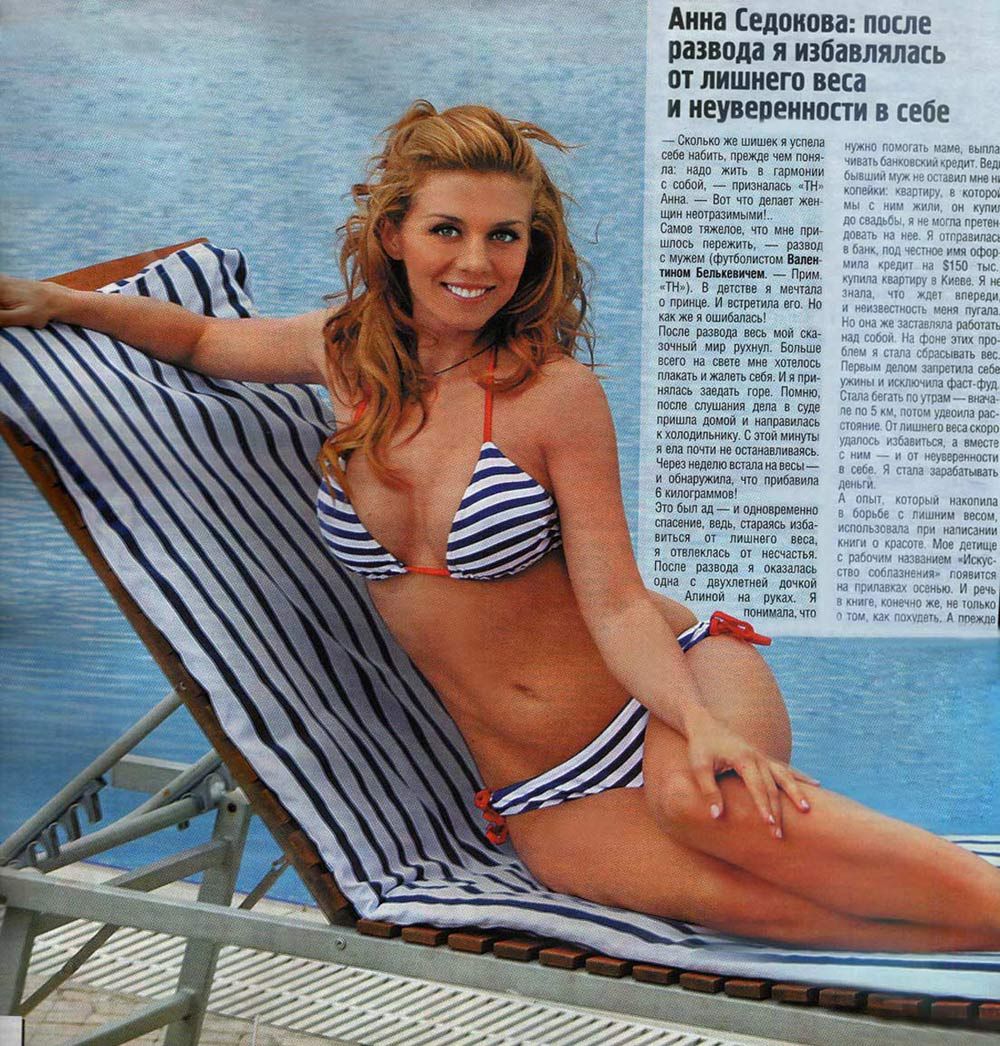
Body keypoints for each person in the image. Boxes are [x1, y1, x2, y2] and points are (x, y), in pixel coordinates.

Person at [1, 100, 997, 951]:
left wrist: (696, 726)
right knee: (769, 912)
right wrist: (57, 303)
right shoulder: (344, 352)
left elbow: (615, 601)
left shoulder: (553, 395)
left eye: (505, 237)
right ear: (395, 233)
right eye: (448, 229)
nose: (477, 262)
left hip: (665, 693)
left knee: (701, 805)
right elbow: (200, 338)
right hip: (546, 793)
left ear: (534, 247)